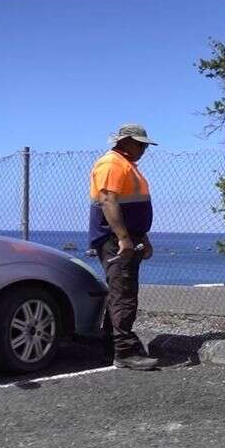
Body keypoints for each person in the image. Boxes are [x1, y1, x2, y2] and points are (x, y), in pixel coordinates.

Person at [90, 124, 158, 371]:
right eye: (140, 144)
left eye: (144, 145)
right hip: (116, 240)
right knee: (124, 294)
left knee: (121, 292)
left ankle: (111, 347)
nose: (143, 149)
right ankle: (124, 352)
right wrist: (123, 238)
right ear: (126, 141)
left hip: (128, 237)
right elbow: (108, 201)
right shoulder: (112, 164)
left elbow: (134, 207)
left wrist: (142, 238)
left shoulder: (125, 165)